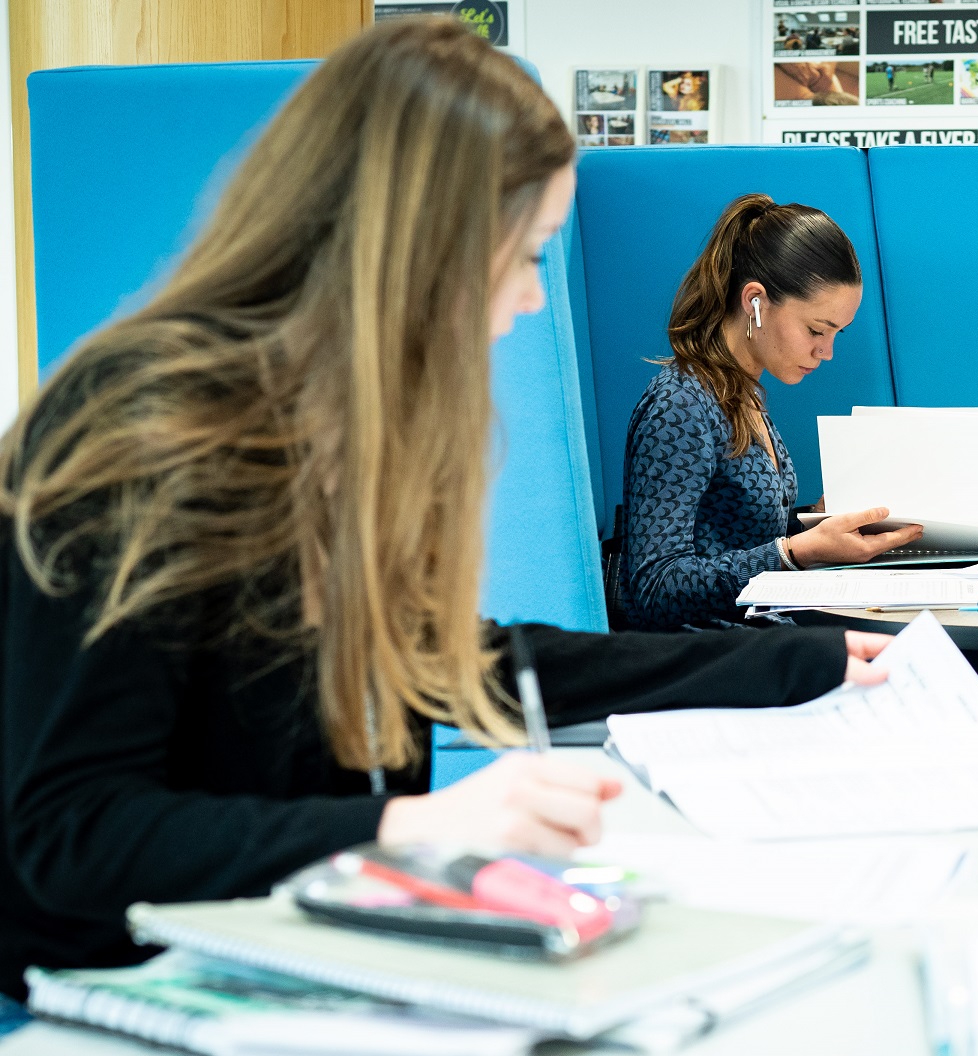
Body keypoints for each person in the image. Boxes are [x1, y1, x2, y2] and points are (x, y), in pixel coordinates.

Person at [0, 20, 890, 1001]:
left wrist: (787, 664)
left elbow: (445, 664)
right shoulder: (143, 431)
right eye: (521, 256)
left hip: (287, 945)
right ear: (414, 241)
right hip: (113, 989)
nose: (525, 300)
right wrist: (418, 828)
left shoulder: (347, 429)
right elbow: (73, 833)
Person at [620, 196, 922, 631]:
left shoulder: (743, 394)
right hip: (713, 662)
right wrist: (796, 552)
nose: (827, 351)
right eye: (816, 330)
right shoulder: (682, 405)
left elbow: (737, 537)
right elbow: (655, 588)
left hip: (763, 644)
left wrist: (819, 525)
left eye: (837, 333)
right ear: (755, 301)